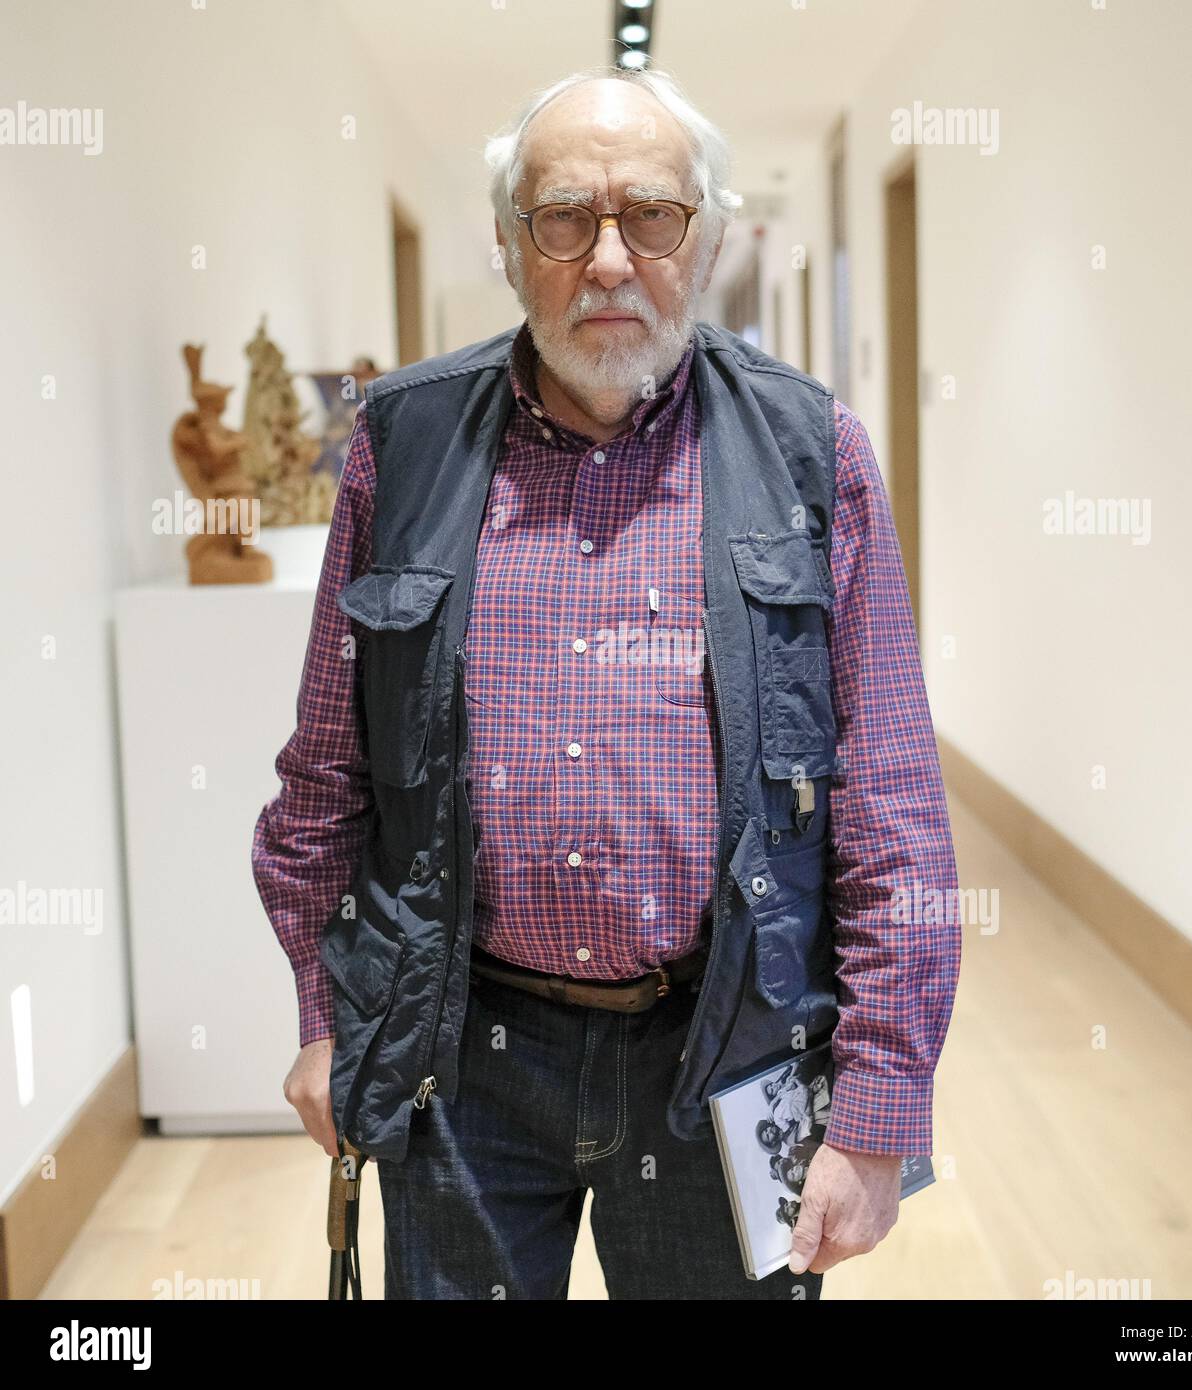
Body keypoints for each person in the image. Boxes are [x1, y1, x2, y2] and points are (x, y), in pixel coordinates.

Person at [253, 63, 962, 1300]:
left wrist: (877, 1109)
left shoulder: (816, 454)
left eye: (652, 215)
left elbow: (890, 808)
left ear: (711, 236)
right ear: (508, 242)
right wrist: (324, 1014)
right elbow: (323, 774)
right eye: (564, 217)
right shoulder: (400, 447)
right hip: (453, 1052)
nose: (610, 259)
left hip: (728, 1045)